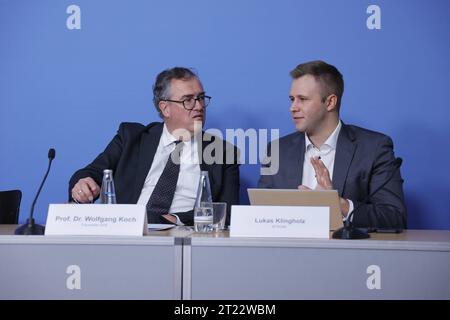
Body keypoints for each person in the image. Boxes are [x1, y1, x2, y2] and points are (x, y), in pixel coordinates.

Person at [69, 67, 240, 225]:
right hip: (127, 231)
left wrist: (175, 219)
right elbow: (90, 173)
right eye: (188, 100)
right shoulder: (131, 138)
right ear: (165, 108)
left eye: (201, 98)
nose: (199, 106)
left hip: (183, 237)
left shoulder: (223, 152)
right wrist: (82, 184)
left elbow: (227, 212)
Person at [258, 60, 406, 229]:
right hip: (287, 253)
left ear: (330, 102)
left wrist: (338, 204)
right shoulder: (276, 150)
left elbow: (395, 217)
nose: (293, 107)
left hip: (348, 254)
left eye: (303, 99)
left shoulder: (374, 148)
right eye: (292, 99)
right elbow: (260, 215)